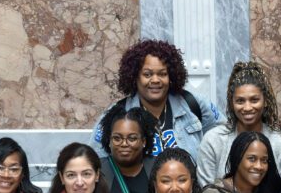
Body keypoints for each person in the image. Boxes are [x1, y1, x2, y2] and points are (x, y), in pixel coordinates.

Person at [91, 39, 224, 158]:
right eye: (147, 74)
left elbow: (225, 138)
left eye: (162, 74)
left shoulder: (193, 104)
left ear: (171, 76)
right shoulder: (117, 114)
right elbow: (96, 159)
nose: (155, 80)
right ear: (134, 77)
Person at [197, 61, 281, 186]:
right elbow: (206, 192)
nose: (247, 107)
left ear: (266, 101)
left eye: (254, 100)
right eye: (240, 101)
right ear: (231, 103)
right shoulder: (213, 141)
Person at [99, 104, 156, 193]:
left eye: (132, 138)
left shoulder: (158, 168)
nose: (124, 144)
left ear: (144, 141)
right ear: (109, 140)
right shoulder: (98, 171)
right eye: (117, 138)